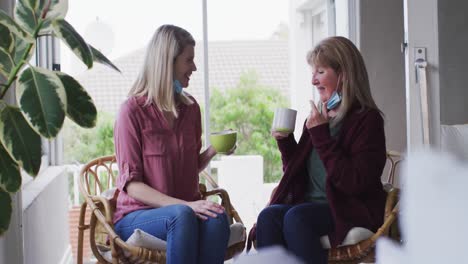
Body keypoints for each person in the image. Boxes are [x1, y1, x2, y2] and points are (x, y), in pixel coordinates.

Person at [248, 36, 387, 264]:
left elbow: (354, 182)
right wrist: (285, 141)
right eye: (313, 73)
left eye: (320, 72)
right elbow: (299, 175)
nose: (313, 81)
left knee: (297, 218)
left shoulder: (367, 120)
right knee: (268, 217)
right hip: (311, 205)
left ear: (343, 75)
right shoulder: (318, 119)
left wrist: (321, 135)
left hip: (348, 207)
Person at [113, 24, 231, 264]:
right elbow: (133, 186)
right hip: (139, 214)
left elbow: (187, 167)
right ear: (168, 62)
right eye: (189, 60)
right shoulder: (131, 112)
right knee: (182, 216)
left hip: (182, 211)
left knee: (218, 218)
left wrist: (213, 150)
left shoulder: (190, 109)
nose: (194, 67)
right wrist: (187, 205)